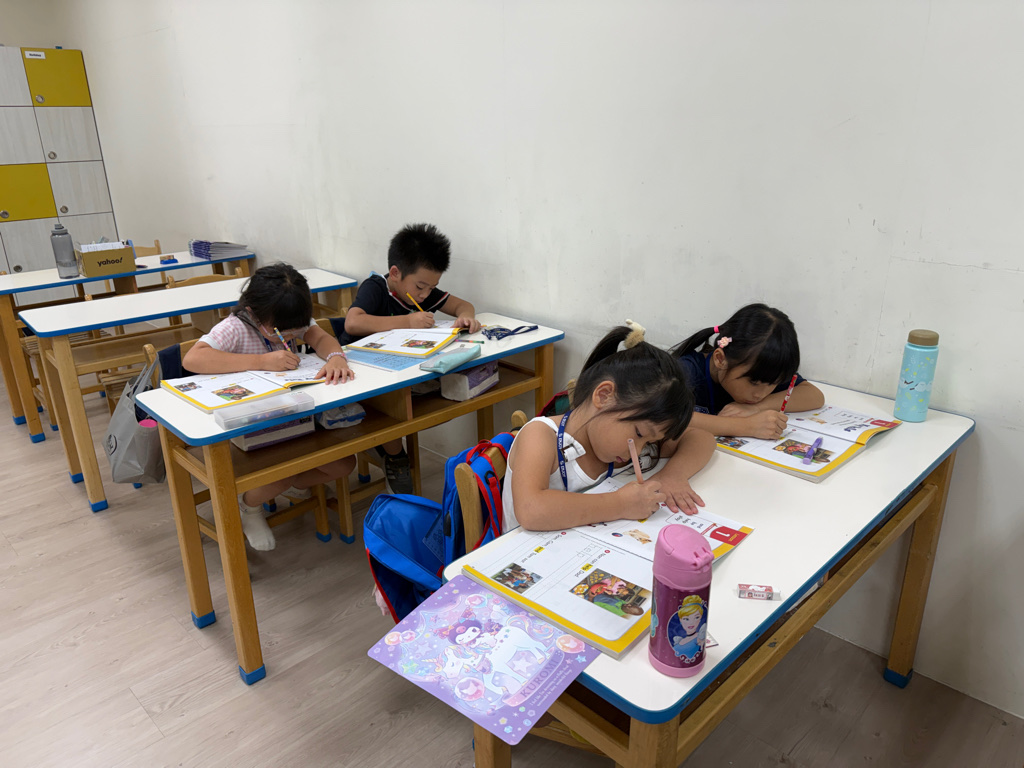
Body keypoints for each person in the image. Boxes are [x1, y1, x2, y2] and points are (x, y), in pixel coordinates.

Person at [183, 263, 356, 551]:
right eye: (280, 332)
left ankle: (294, 485)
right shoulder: (236, 327)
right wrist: (260, 361)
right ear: (253, 313)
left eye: (294, 332)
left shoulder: (290, 317)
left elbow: (320, 337)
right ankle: (249, 507)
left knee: (344, 463)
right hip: (251, 428)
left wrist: (336, 357)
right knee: (280, 474)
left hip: (295, 419)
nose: (288, 337)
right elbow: (193, 359)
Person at [502, 321, 715, 531]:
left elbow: (702, 438)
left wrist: (672, 475)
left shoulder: (629, 443)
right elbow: (531, 510)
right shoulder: (541, 436)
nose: (639, 450)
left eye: (650, 441)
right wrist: (621, 504)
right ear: (604, 396)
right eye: (639, 434)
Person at [337, 223, 480, 493]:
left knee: (440, 393)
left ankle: (387, 446)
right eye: (421, 286)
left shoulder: (421, 293)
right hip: (360, 372)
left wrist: (465, 317)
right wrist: (407, 321)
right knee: (392, 407)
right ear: (395, 273)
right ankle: (395, 455)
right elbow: (353, 323)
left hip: (399, 369)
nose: (425, 294)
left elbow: (464, 305)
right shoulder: (376, 287)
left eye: (432, 287)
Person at [670, 303, 824, 439]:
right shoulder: (686, 372)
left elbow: (814, 396)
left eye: (773, 384)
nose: (760, 394)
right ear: (720, 359)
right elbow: (670, 419)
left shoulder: (765, 371)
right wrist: (748, 426)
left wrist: (755, 408)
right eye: (754, 382)